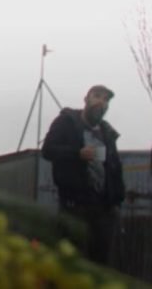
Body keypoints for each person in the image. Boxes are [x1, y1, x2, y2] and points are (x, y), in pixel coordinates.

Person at [41, 85, 125, 265]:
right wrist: (77, 153)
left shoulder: (107, 132)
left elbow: (115, 168)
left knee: (101, 266)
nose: (101, 102)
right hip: (74, 207)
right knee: (70, 263)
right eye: (97, 96)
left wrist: (117, 201)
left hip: (104, 210)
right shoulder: (67, 122)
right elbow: (47, 150)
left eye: (106, 100)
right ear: (86, 99)